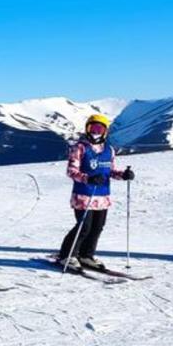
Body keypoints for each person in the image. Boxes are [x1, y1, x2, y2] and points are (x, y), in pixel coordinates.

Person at [56, 114, 135, 270]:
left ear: (105, 131)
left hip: (102, 196)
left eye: (100, 128)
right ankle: (67, 255)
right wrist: (88, 178)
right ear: (87, 128)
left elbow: (110, 171)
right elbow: (71, 171)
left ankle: (86, 255)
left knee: (98, 226)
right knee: (83, 227)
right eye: (92, 128)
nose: (95, 131)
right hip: (83, 195)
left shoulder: (109, 150)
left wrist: (123, 175)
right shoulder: (79, 148)